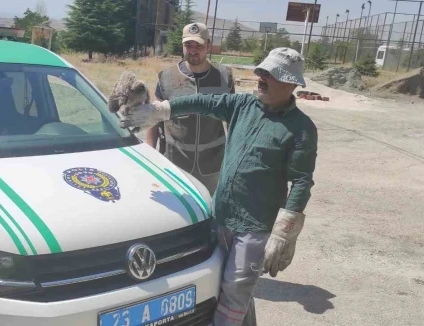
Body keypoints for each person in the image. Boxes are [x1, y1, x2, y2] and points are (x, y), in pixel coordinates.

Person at [120, 47, 318, 326]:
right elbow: (203, 101)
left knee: (235, 293)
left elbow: (301, 181)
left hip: (255, 226)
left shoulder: (301, 129)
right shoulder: (242, 105)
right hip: (221, 215)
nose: (260, 77)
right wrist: (161, 110)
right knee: (216, 287)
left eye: (269, 74)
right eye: (260, 71)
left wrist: (284, 233)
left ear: (291, 83)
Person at [145, 22, 235, 195]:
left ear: (208, 46)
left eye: (199, 45)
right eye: (188, 45)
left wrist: (234, 155)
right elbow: (155, 117)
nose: (193, 50)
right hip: (174, 162)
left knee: (210, 209)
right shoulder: (167, 77)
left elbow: (232, 118)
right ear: (182, 46)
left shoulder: (224, 76)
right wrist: (150, 152)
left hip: (213, 164)